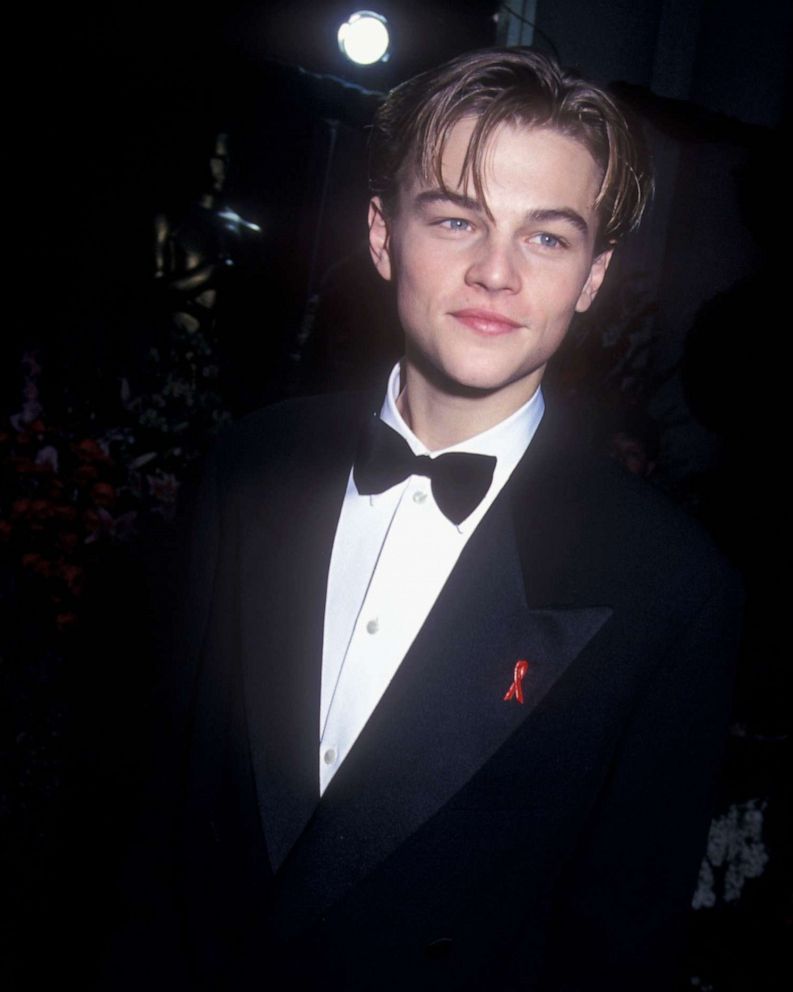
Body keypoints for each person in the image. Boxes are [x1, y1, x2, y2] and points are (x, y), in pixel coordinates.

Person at [114, 48, 742, 992]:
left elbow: (617, 951)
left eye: (546, 237)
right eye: (456, 219)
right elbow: (150, 822)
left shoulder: (672, 588)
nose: (494, 272)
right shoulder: (248, 467)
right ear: (381, 235)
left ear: (593, 277)